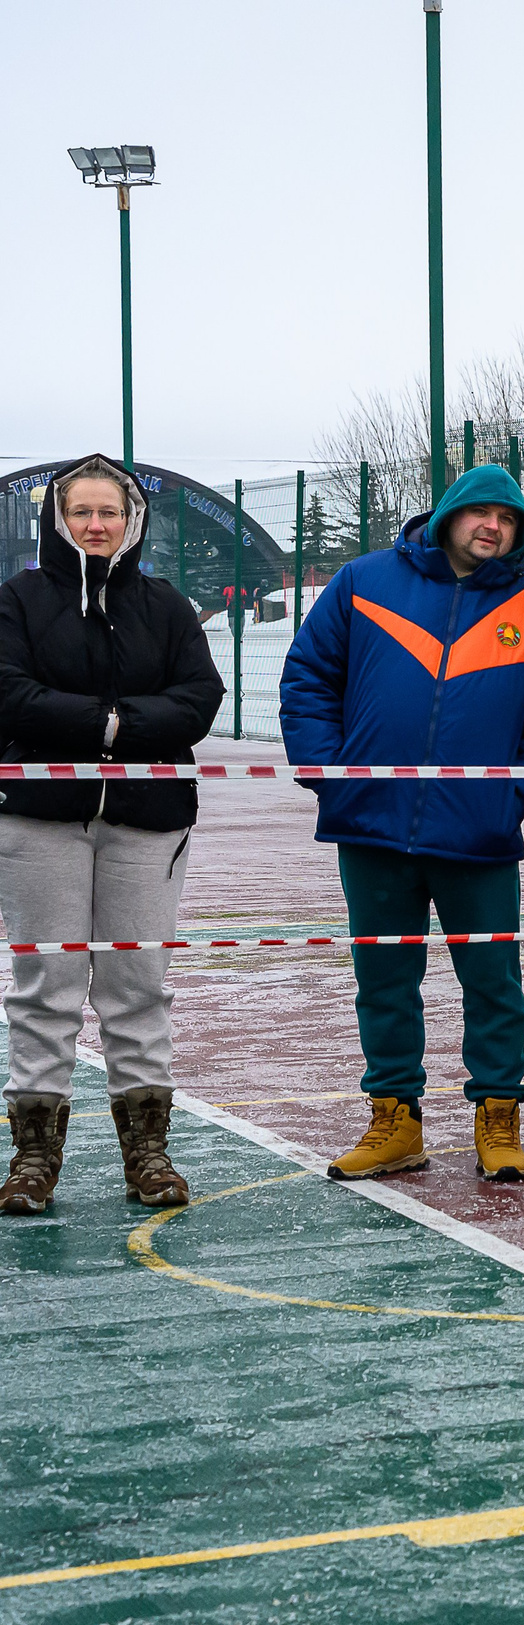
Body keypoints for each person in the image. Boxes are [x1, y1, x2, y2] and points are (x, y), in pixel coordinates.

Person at [278, 464, 524, 1184]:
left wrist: (517, 798)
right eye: (480, 513)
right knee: (383, 980)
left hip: (480, 832)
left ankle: (498, 1118)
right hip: (371, 827)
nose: (492, 527)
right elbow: (307, 677)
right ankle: (395, 1121)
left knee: (494, 982)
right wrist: (330, 773)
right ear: (448, 516)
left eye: (507, 521)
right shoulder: (364, 582)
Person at [0, 456, 224, 1216]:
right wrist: (105, 723)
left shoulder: (167, 605)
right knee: (46, 988)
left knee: (137, 988)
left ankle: (148, 1154)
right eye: (82, 512)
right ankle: (33, 1159)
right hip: (40, 818)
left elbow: (198, 699)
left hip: (147, 820)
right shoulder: (19, 600)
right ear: (57, 520)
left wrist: (119, 727)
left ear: (132, 521)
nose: (97, 524)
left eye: (110, 512)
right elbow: (9, 694)